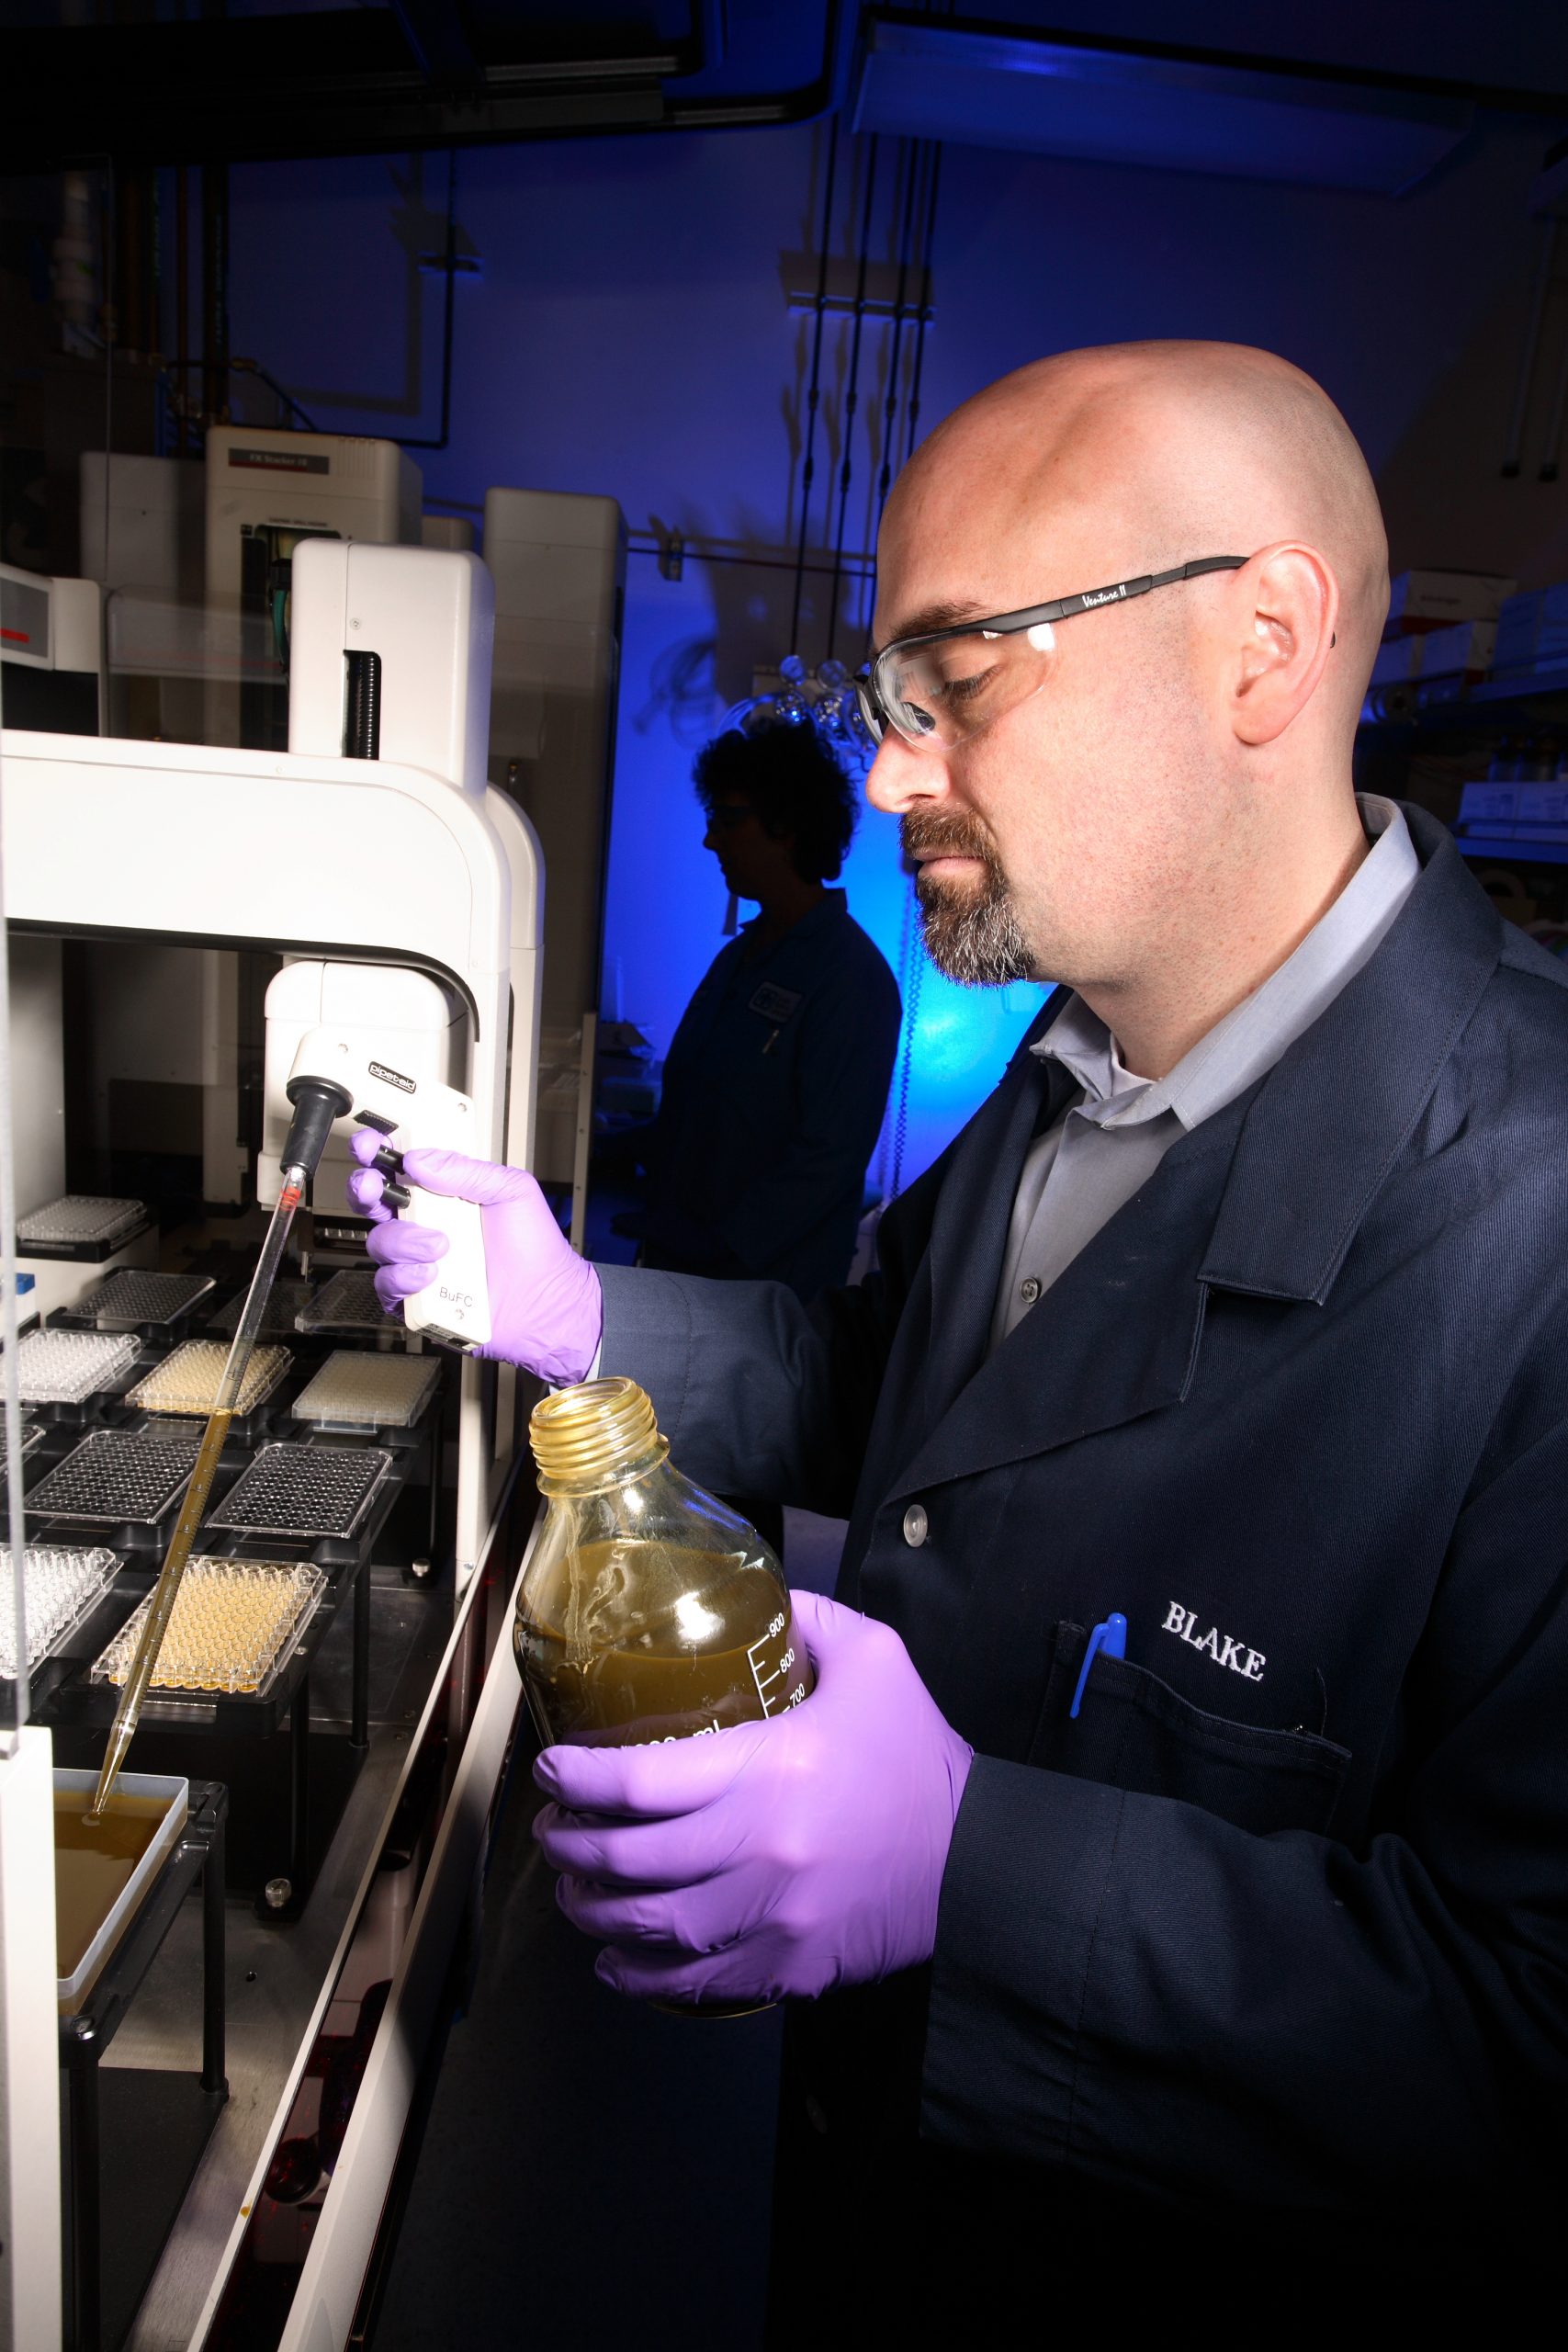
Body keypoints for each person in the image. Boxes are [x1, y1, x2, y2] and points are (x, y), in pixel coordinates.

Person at [351, 341, 1568, 2326]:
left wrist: (970, 1867)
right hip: (880, 2186)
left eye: (962, 683)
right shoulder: (1071, 1061)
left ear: (1262, 646)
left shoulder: (1533, 1211)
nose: (891, 773)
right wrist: (576, 1309)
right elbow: (893, 1383)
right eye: (884, 701)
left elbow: (1529, 2044)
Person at [622, 721, 902, 1302]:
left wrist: (718, 1246)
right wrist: (612, 1149)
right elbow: (701, 1111)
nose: (711, 840)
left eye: (728, 819)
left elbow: (827, 1160)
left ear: (788, 827)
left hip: (762, 1296)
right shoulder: (740, 958)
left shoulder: (850, 977)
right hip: (684, 1272)